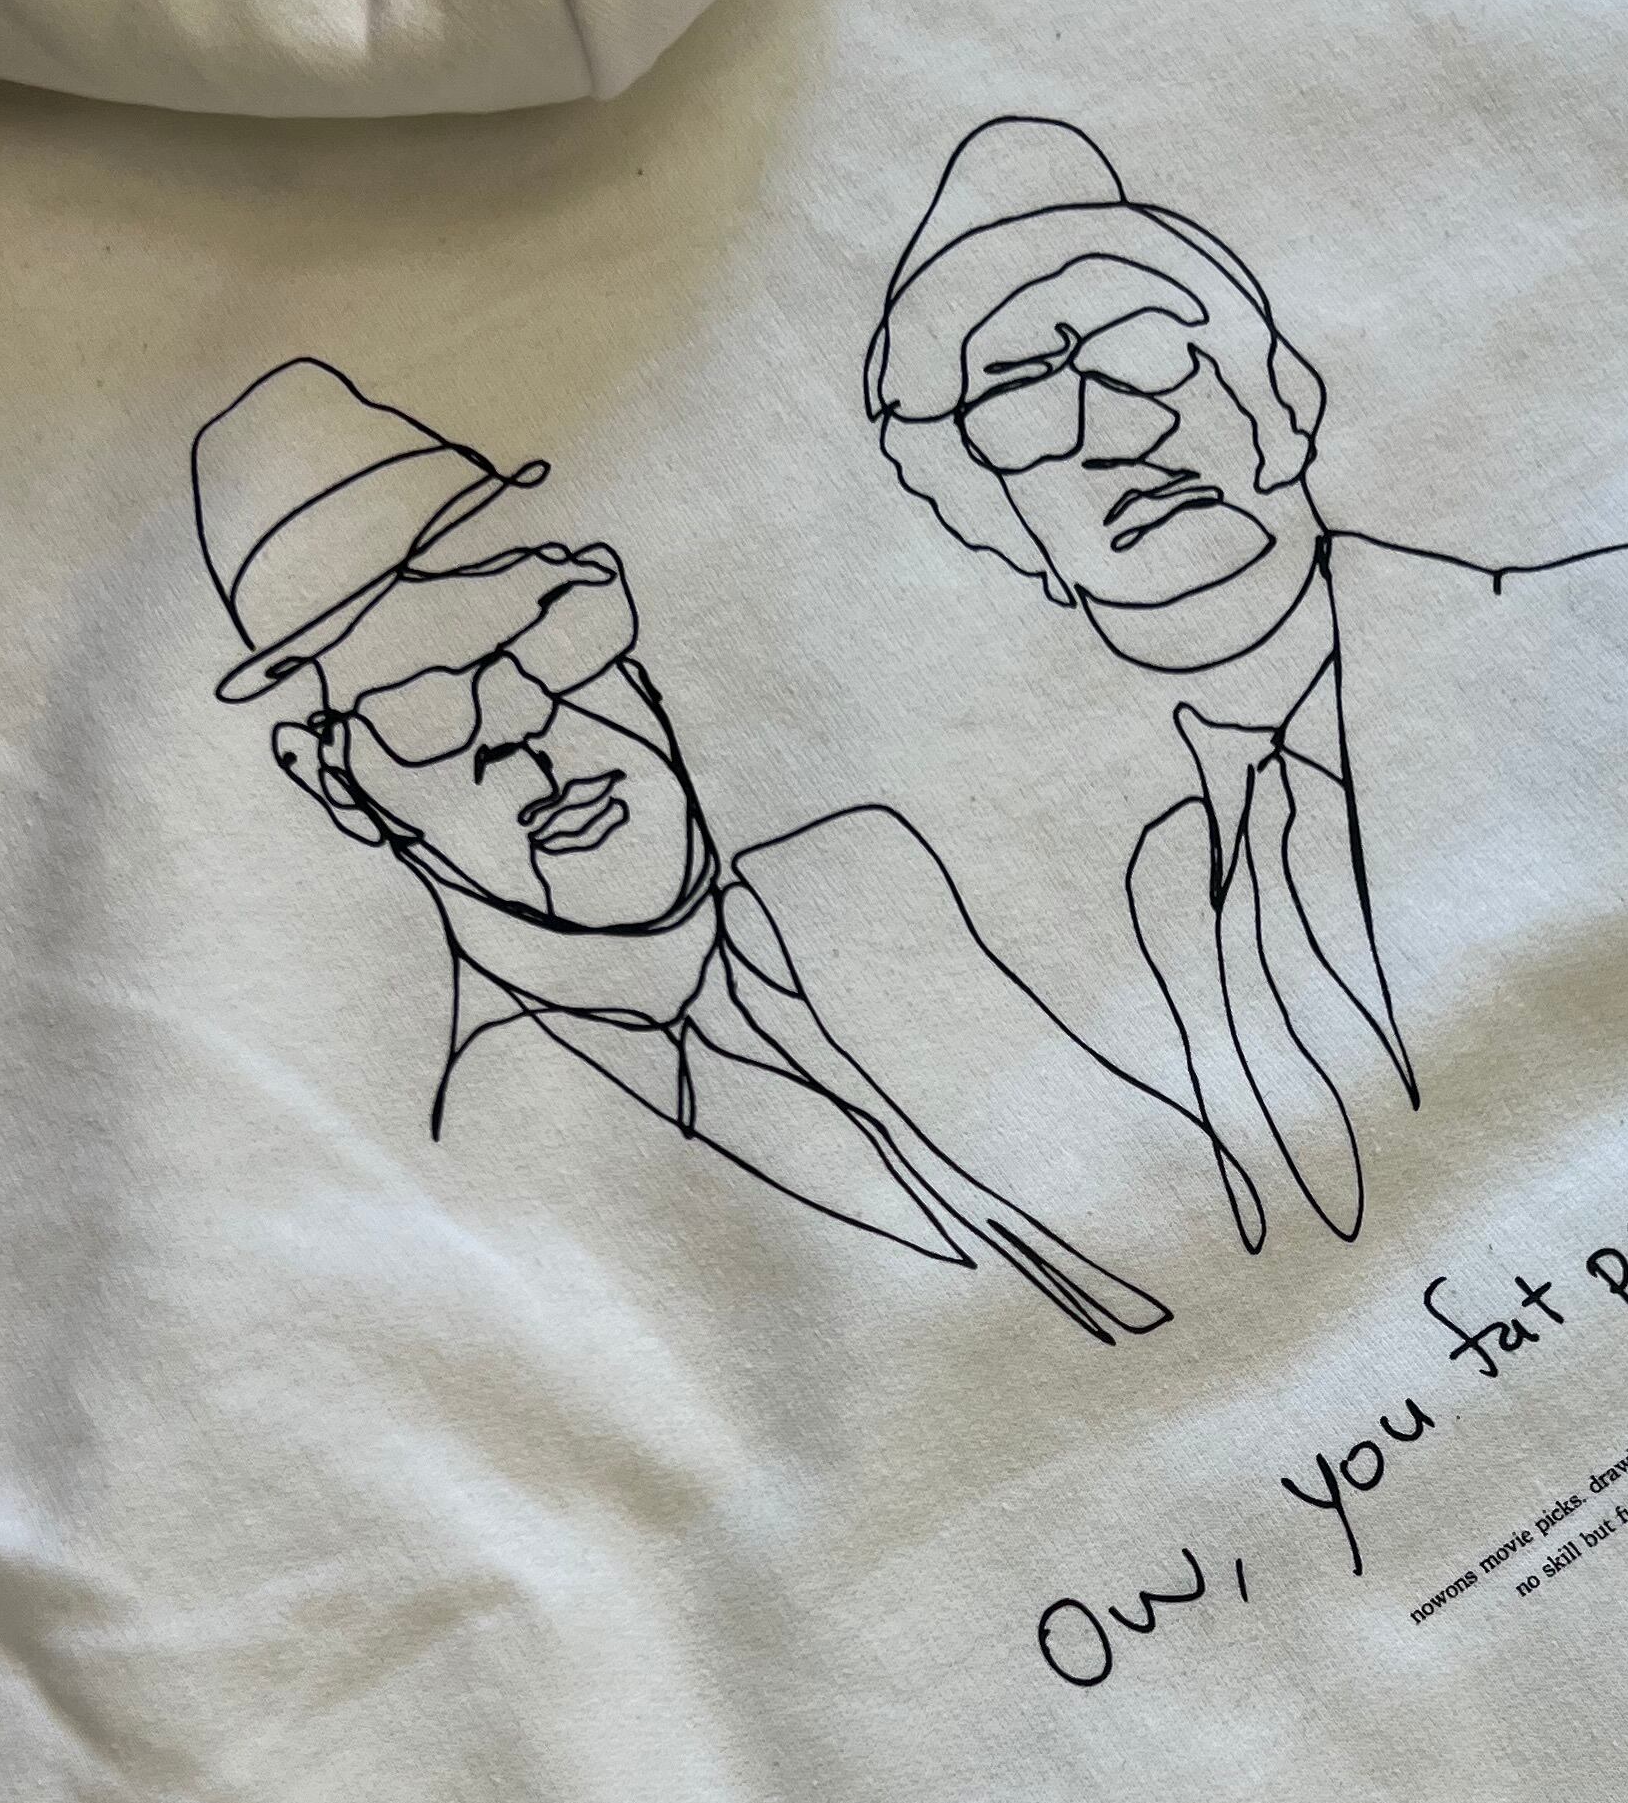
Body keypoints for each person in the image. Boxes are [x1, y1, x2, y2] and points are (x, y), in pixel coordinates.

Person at [193, 355, 1185, 1343]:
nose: (526, 723)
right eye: (421, 705)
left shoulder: (883, 872)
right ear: (335, 782)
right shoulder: (477, 1163)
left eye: (552, 631)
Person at [864, 116, 1628, 1251]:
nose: (1116, 433)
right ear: (1004, 525)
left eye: (1145, 349)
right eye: (1021, 402)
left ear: (1277, 390)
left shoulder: (1615, 619)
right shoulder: (1175, 886)